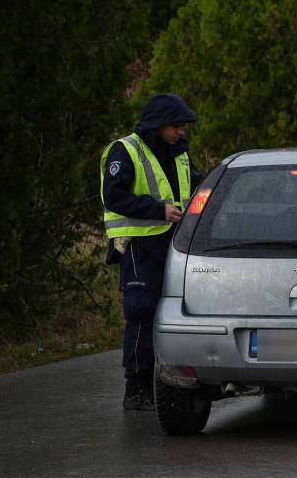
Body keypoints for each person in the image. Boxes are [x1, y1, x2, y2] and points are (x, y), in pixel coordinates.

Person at [100, 93, 204, 410]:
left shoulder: (178, 154)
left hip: (173, 245)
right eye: (175, 126)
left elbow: (199, 185)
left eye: (183, 126)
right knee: (142, 313)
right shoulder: (126, 150)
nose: (181, 132)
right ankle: (137, 388)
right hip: (138, 245)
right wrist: (158, 210)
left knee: (176, 313)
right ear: (157, 124)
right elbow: (113, 197)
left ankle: (170, 381)